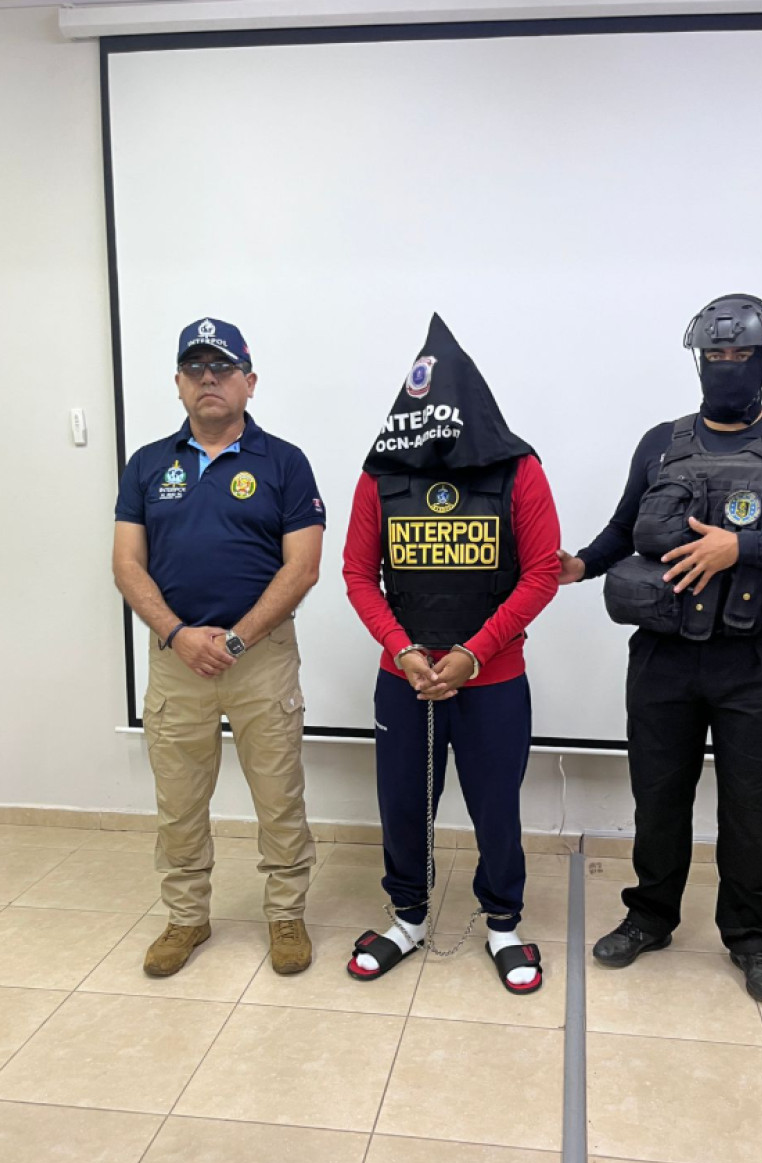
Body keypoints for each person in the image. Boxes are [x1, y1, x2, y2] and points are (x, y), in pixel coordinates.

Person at [559, 294, 762, 1004]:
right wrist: (582, 564)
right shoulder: (661, 441)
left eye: (741, 354)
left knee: (753, 806)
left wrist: (741, 548)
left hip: (754, 658)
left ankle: (751, 937)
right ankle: (649, 917)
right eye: (714, 354)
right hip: (663, 655)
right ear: (698, 359)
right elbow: (623, 528)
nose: (726, 365)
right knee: (657, 796)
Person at [342, 314, 560, 994]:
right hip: (404, 678)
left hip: (492, 680)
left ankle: (503, 924)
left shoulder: (518, 469)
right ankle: (407, 918)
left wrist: (474, 653)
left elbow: (542, 572)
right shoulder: (380, 474)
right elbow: (357, 574)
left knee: (496, 808)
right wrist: (403, 648)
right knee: (404, 804)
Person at [113, 317, 325, 977]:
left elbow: (303, 568)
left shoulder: (285, 462)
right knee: (178, 802)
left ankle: (285, 915)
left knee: (279, 796)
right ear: (178, 383)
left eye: (223, 368)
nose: (209, 379)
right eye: (196, 368)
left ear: (249, 382)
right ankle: (186, 918)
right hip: (176, 661)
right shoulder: (147, 464)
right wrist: (179, 635)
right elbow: (126, 564)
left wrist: (236, 639)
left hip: (261, 661)